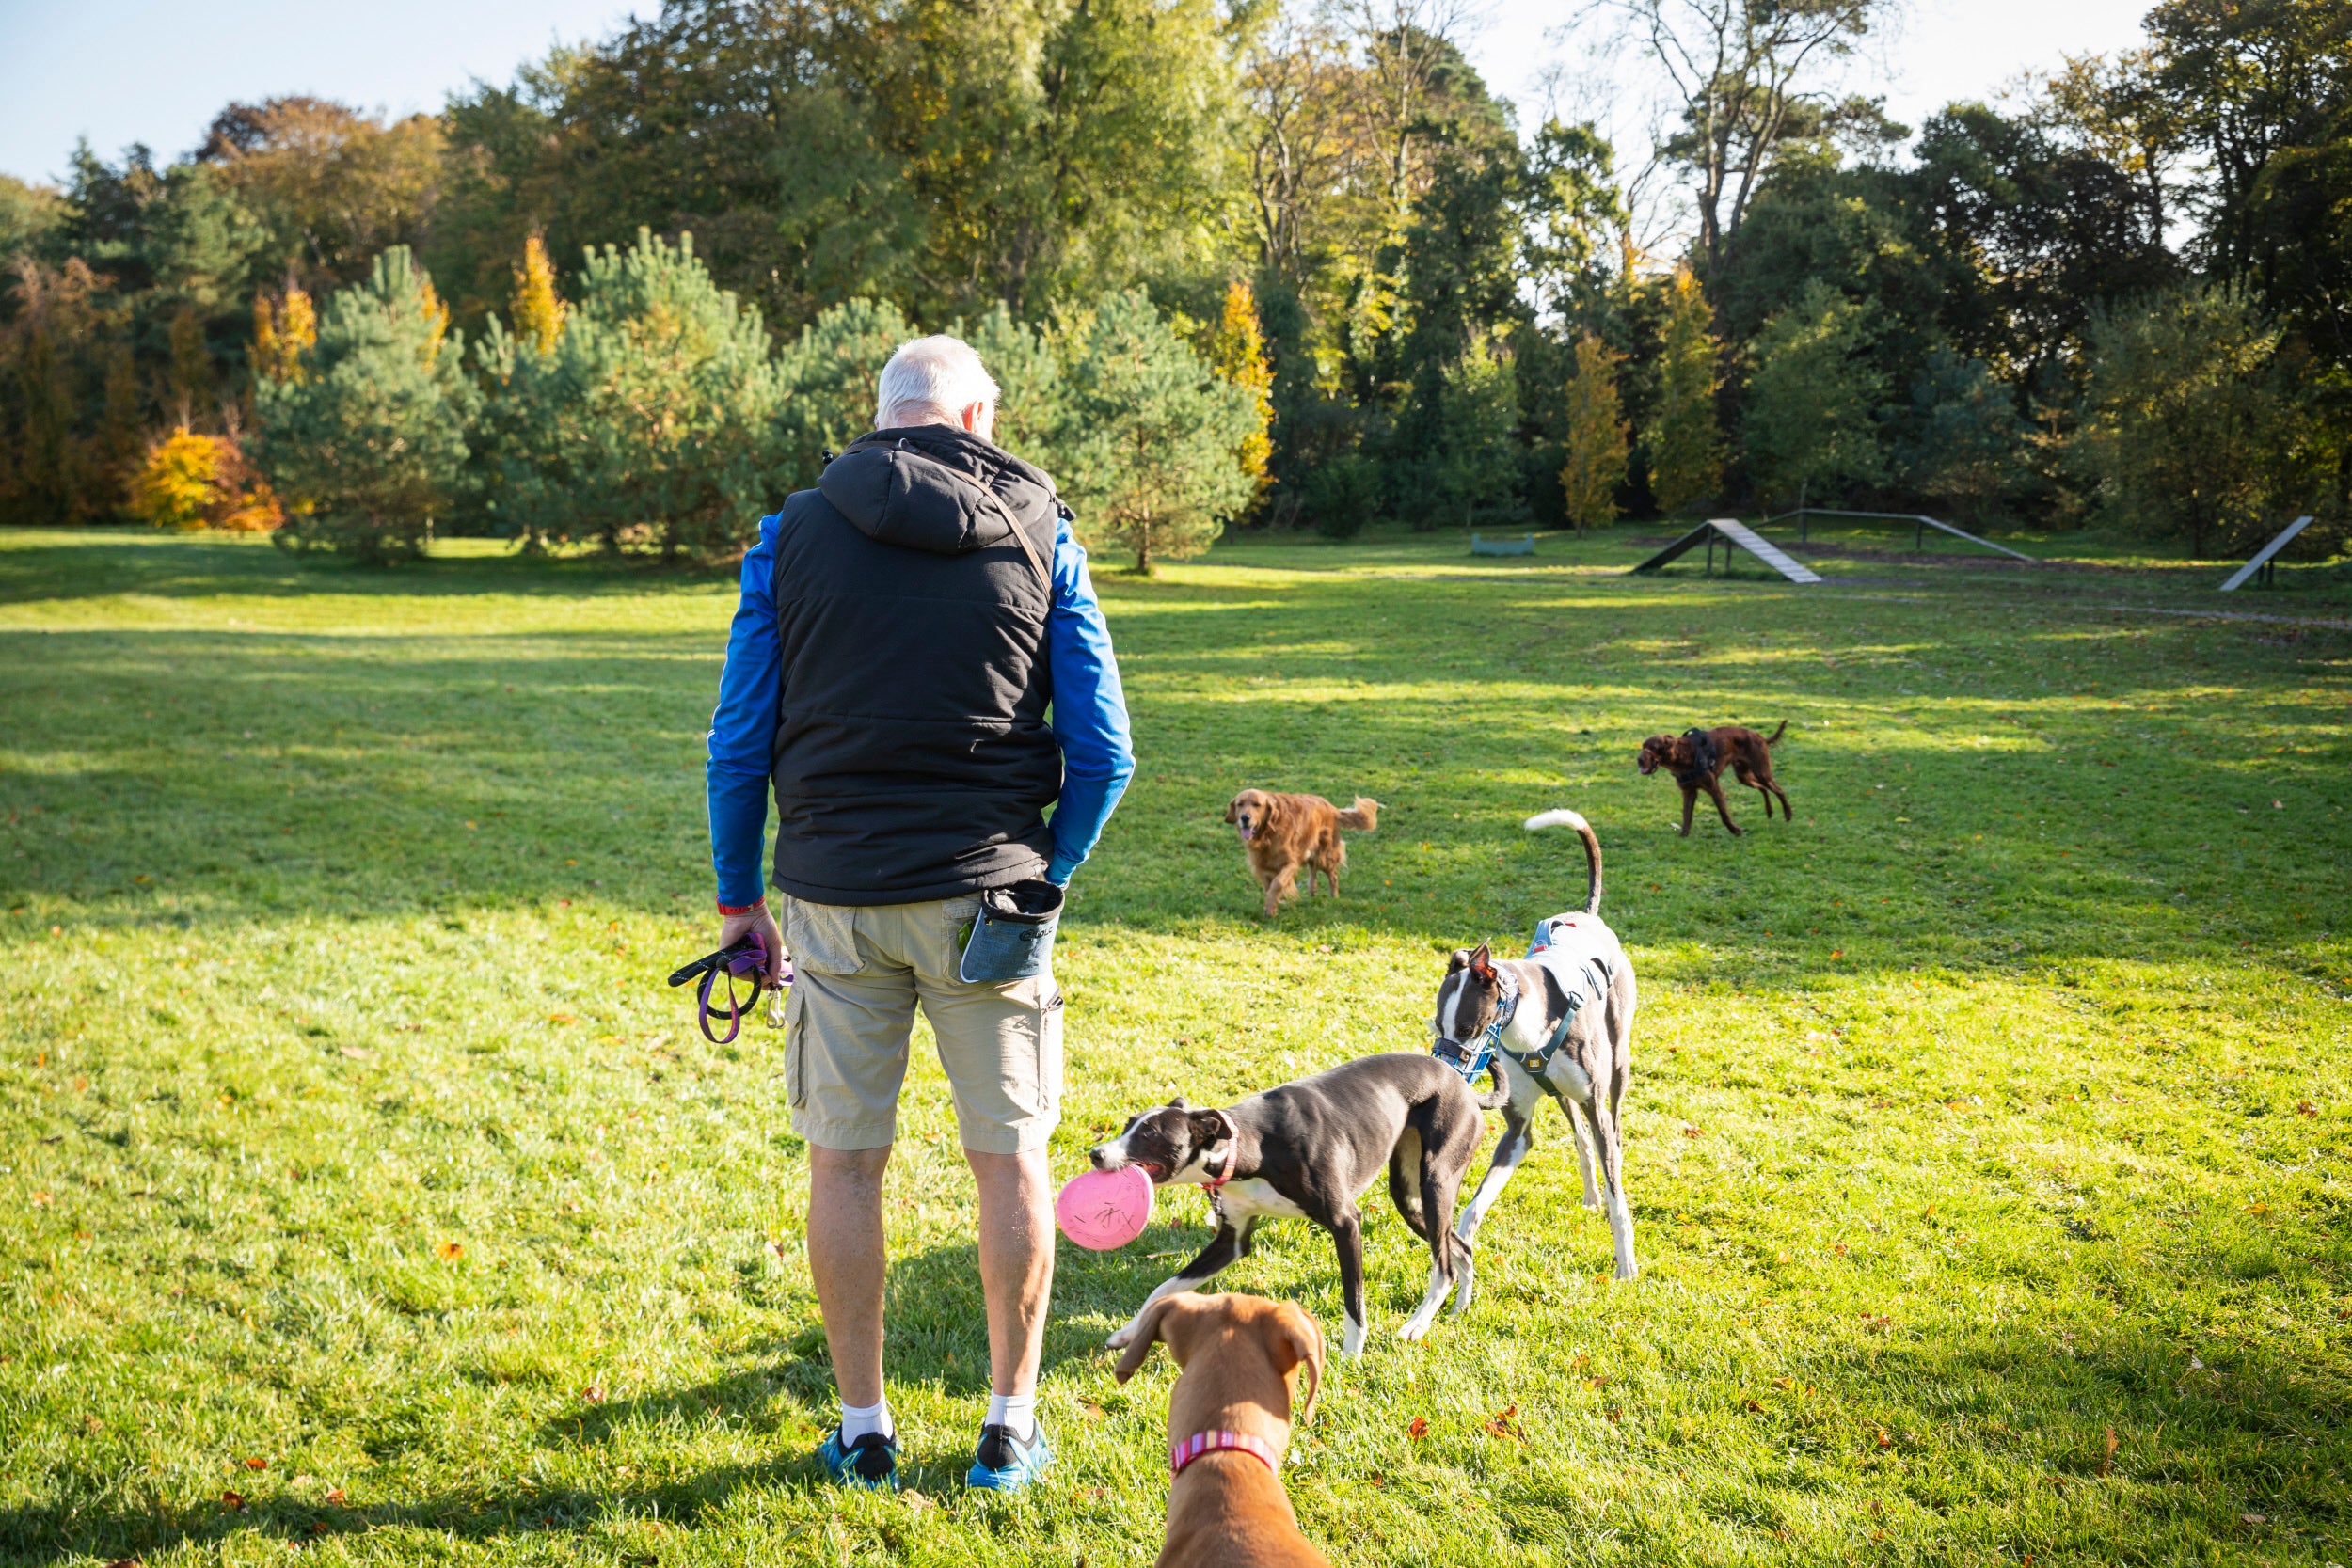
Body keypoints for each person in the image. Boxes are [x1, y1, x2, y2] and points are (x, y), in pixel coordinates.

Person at [704, 335, 1134, 1493]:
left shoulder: (791, 532)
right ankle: (1007, 1424)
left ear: (882, 416)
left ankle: (863, 1427)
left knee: (844, 1166)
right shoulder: (1047, 530)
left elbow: (739, 738)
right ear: (977, 415)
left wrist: (740, 896)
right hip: (991, 894)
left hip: (835, 899)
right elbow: (1106, 751)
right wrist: (1056, 865)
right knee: (1012, 1161)